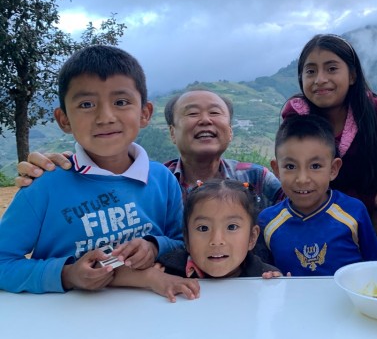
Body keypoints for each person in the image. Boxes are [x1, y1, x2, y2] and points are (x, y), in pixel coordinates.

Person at [0, 45, 188, 294]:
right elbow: (3, 262)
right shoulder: (43, 186)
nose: (105, 117)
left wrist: (154, 246)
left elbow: (184, 243)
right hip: (66, 314)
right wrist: (67, 275)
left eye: (121, 102)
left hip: (151, 309)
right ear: (64, 119)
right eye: (86, 104)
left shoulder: (162, 180)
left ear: (145, 113)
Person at [16, 89, 283, 209]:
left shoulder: (256, 177)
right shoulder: (151, 181)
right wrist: (60, 172)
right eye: (192, 113)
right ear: (172, 133)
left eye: (215, 112)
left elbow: (303, 203)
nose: (205, 120)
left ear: (230, 130)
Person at [281, 34, 377, 259]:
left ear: (352, 75)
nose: (320, 79)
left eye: (332, 69)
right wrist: (372, 200)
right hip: (318, 228)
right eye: (311, 71)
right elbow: (300, 180)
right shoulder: (296, 118)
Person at [112, 178, 283, 302]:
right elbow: (111, 273)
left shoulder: (263, 274)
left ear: (252, 237)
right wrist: (154, 278)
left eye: (231, 227)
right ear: (186, 237)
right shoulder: (170, 268)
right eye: (203, 228)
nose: (217, 240)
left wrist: (279, 285)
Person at [258, 114, 377, 276]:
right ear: (276, 170)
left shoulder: (353, 212)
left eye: (315, 166)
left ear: (333, 169)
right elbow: (263, 274)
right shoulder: (267, 221)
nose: (302, 179)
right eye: (290, 166)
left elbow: (376, 269)